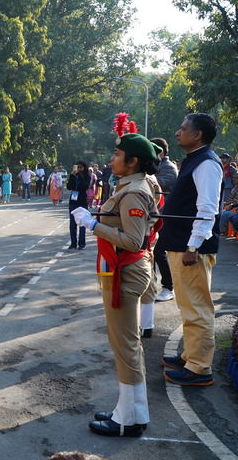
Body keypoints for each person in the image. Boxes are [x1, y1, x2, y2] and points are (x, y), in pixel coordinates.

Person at [69, 117, 160, 437]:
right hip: (123, 268)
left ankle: (129, 419)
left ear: (132, 161)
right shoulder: (138, 183)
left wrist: (92, 225)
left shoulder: (133, 191)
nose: (112, 159)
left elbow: (134, 240)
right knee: (126, 344)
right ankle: (130, 410)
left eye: (117, 155)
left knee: (125, 345)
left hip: (124, 270)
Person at [158, 112, 224, 387]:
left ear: (197, 135)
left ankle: (199, 368)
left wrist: (193, 245)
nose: (177, 132)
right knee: (188, 304)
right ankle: (190, 355)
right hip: (182, 243)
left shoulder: (207, 163)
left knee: (197, 307)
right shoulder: (196, 159)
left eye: (183, 128)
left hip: (191, 247)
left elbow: (208, 209)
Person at [150, 138, 179, 303]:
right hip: (154, 214)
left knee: (159, 251)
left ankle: (168, 287)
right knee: (152, 252)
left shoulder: (168, 168)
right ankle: (151, 285)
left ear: (160, 151)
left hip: (163, 215)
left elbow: (157, 186)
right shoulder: (159, 166)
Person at [64, 162, 93, 249]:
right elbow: (69, 187)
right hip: (73, 201)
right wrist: (72, 176)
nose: (79, 169)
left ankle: (81, 243)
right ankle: (73, 243)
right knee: (72, 224)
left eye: (81, 168)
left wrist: (79, 175)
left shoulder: (87, 176)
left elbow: (84, 186)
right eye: (77, 167)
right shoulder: (74, 175)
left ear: (84, 168)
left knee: (82, 223)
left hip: (82, 201)